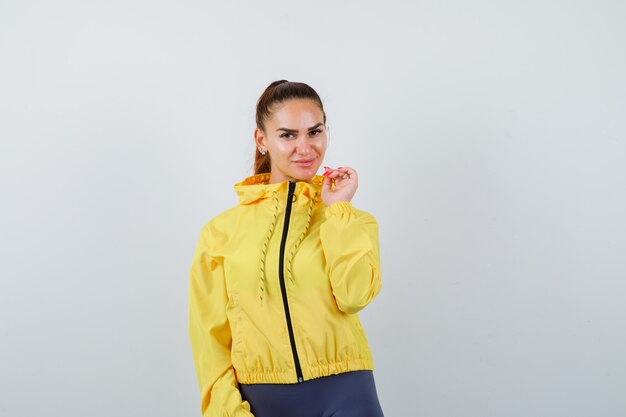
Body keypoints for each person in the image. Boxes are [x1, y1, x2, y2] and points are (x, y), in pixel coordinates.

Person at [188, 80, 385, 417]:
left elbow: (354, 296)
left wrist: (338, 210)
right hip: (261, 400)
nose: (305, 147)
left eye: (314, 132)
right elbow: (210, 341)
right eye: (288, 135)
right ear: (261, 140)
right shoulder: (220, 233)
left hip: (347, 394)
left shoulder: (351, 220)